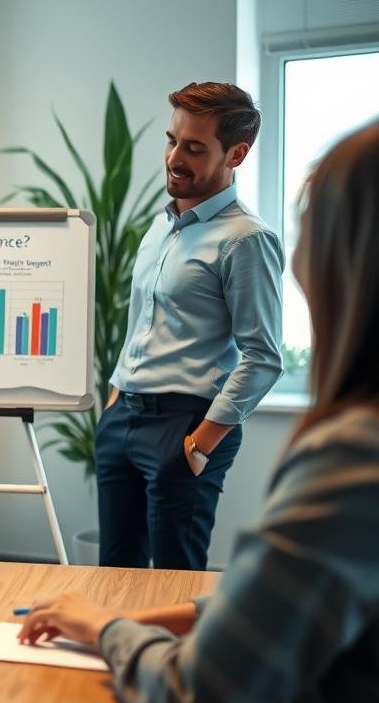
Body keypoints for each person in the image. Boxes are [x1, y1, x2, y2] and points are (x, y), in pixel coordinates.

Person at [20, 114, 379, 703]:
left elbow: (197, 692)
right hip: (131, 414)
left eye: (315, 224)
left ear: (362, 260)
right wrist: (127, 615)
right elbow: (316, 600)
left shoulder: (368, 465)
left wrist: (109, 633)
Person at [96, 81, 283, 571]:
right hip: (124, 418)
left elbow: (263, 359)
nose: (175, 157)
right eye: (172, 140)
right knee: (116, 572)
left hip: (186, 425)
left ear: (236, 154)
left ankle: (182, 654)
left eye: (195, 148)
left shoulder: (246, 240)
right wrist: (116, 398)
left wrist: (200, 446)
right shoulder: (161, 226)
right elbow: (140, 322)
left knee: (175, 579)